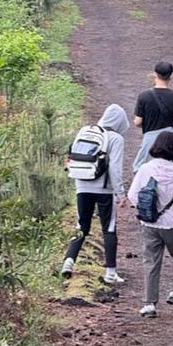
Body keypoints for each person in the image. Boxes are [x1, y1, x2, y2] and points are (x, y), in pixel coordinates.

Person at [126, 133, 173, 318]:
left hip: (150, 223)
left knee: (151, 262)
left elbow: (132, 195)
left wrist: (145, 210)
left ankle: (149, 304)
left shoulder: (145, 169)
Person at [61, 104, 129, 284]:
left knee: (81, 226)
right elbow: (114, 169)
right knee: (109, 228)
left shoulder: (85, 132)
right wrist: (121, 194)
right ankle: (111, 273)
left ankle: (68, 261)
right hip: (104, 189)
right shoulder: (116, 138)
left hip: (82, 185)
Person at [132, 61, 173, 172]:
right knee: (170, 169)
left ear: (155, 75)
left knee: (142, 168)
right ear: (171, 77)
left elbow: (138, 122)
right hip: (169, 141)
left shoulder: (144, 96)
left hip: (150, 140)